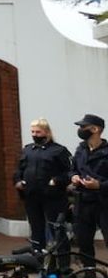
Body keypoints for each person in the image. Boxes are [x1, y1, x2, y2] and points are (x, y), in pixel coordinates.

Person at [13, 118, 72, 250]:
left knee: (56, 229)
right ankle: (38, 258)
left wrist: (56, 180)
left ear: (46, 132)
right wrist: (18, 181)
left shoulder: (58, 150)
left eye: (38, 132)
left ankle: (63, 263)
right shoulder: (28, 150)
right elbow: (19, 169)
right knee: (36, 228)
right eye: (32, 132)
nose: (34, 135)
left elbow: (69, 172)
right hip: (32, 195)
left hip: (52, 196)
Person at [69, 114, 108, 267]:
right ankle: (89, 277)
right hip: (83, 202)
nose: (80, 130)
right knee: (84, 242)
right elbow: (72, 169)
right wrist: (74, 177)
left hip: (103, 202)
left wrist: (99, 185)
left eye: (83, 127)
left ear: (95, 129)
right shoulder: (81, 149)